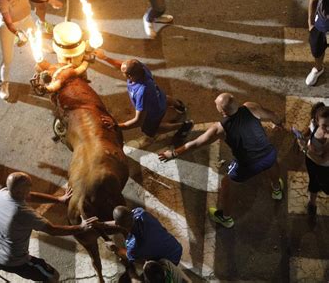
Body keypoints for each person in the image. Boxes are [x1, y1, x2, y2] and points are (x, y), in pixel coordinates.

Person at [158, 93, 285, 228]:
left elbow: (195, 144)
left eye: (216, 103)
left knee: (226, 184)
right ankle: (277, 190)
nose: (214, 101)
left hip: (247, 165)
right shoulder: (251, 107)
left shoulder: (220, 128)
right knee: (272, 163)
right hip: (268, 154)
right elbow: (273, 115)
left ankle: (226, 218)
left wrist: (173, 153)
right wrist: (279, 123)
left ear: (222, 111)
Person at [0, 172, 98, 282]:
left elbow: (30, 196)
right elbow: (53, 230)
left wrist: (59, 199)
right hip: (14, 260)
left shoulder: (2, 193)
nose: (31, 187)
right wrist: (81, 227)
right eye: (28, 186)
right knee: (52, 276)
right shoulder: (22, 212)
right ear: (19, 191)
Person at [95, 50, 193, 140]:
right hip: (158, 96)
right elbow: (122, 65)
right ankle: (179, 106)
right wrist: (105, 58)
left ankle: (183, 126)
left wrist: (116, 126)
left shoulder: (141, 93)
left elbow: (138, 121)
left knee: (154, 128)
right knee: (164, 98)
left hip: (153, 113)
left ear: (129, 76)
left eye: (123, 72)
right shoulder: (140, 68)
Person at [0, 0, 62, 100]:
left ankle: (43, 46)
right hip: (8, 26)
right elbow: (9, 22)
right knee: (7, 58)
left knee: (36, 39)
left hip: (26, 19)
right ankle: (4, 83)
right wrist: (18, 33)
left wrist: (50, 0)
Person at [98, 206, 183, 281]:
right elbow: (126, 219)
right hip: (176, 248)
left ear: (117, 224)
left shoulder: (133, 247)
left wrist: (114, 248)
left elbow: (127, 255)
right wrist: (102, 224)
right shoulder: (141, 213)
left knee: (151, 271)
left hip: (169, 261)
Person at [294, 103, 329, 218]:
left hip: (325, 168)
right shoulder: (314, 125)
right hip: (311, 162)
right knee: (313, 182)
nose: (328, 128)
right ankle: (312, 203)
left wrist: (305, 149)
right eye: (324, 125)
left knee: (326, 187)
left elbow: (322, 160)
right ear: (317, 121)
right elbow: (309, 132)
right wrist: (302, 138)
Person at [306, 0, 329, 86]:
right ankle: (318, 69)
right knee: (316, 49)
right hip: (320, 26)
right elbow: (313, 0)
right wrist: (310, 22)